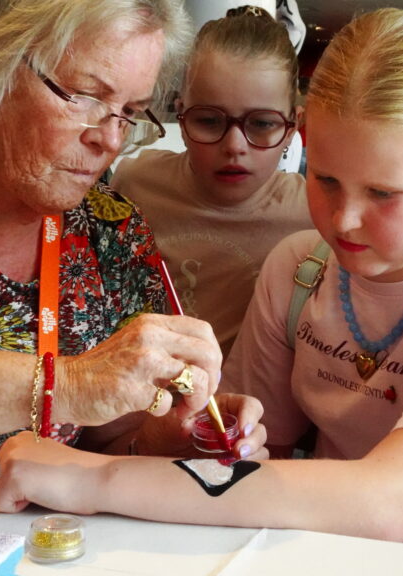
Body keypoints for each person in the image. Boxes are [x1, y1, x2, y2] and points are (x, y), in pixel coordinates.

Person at [0, 9, 403, 562]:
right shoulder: (296, 270)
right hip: (330, 551)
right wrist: (217, 436)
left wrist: (91, 477)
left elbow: (386, 503)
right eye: (326, 180)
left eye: (383, 193)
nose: (344, 220)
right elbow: (258, 461)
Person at [0, 0, 266, 460]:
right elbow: (79, 391)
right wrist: (68, 383)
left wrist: (167, 438)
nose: (112, 140)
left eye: (130, 111)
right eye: (84, 96)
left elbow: (105, 438)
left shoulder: (113, 231)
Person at [111, 5, 312, 360]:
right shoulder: (135, 185)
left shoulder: (313, 216)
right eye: (209, 120)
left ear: (291, 128)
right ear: (182, 116)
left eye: (262, 124)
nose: (234, 146)